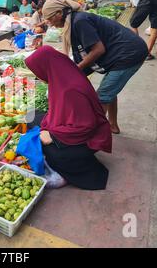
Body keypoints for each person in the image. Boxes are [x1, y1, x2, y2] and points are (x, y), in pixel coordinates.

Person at [42, 0, 148, 134]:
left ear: (59, 13)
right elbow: (83, 56)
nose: (50, 24)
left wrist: (76, 69)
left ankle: (91, 137)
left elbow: (98, 50)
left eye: (50, 19)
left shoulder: (79, 21)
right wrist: (66, 75)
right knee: (110, 90)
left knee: (102, 97)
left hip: (129, 54)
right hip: (120, 54)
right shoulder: (73, 23)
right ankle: (112, 125)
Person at [25, 46, 112, 190]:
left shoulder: (71, 90)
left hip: (86, 139)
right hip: (71, 127)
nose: (38, 76)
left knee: (49, 150)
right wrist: (47, 128)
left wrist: (53, 135)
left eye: (37, 72)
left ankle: (65, 175)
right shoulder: (63, 76)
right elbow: (60, 111)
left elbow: (87, 126)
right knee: (31, 116)